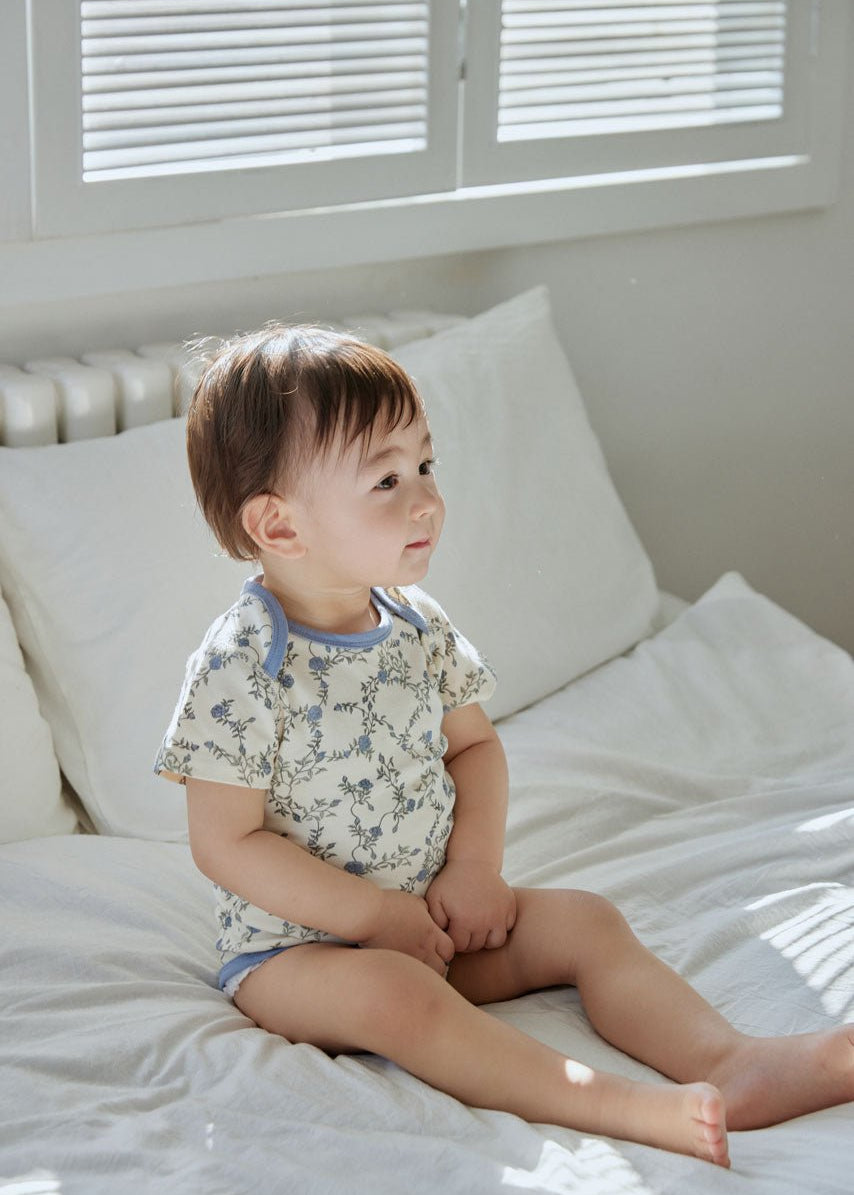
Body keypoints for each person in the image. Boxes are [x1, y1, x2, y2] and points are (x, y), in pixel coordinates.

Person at [155, 325, 853, 1168]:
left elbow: (474, 750)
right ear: (280, 524)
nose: (424, 498)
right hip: (300, 953)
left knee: (585, 923)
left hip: (437, 916)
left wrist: (475, 871)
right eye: (385, 478)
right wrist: (375, 917)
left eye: (426, 466)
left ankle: (729, 1060)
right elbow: (224, 841)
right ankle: (628, 1107)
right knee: (398, 994)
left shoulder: (415, 623)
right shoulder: (241, 665)